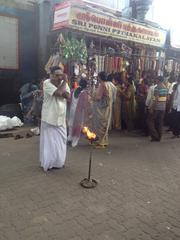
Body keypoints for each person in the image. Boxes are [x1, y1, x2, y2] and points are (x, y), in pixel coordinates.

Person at [40, 66, 70, 171]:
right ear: (51, 75)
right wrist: (65, 83)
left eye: (61, 75)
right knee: (49, 143)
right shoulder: (47, 83)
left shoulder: (63, 84)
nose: (59, 77)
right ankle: (48, 164)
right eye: (56, 75)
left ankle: (59, 163)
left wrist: (63, 87)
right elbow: (58, 93)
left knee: (62, 141)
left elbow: (68, 96)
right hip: (49, 118)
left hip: (61, 118)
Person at [91, 71, 117, 148]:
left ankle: (101, 143)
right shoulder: (111, 85)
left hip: (101, 108)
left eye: (98, 77)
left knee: (101, 125)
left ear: (100, 77)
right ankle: (104, 141)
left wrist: (92, 97)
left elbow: (98, 97)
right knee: (105, 124)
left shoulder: (102, 85)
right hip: (108, 107)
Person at [68, 78, 90, 147]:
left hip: (72, 110)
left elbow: (69, 100)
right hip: (79, 112)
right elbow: (85, 105)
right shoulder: (84, 93)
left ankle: (69, 138)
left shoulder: (73, 90)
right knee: (78, 126)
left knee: (71, 124)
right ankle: (74, 141)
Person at [148, 76, 168, 142]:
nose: (155, 80)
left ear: (158, 80)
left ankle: (155, 136)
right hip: (163, 108)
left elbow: (156, 99)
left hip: (156, 108)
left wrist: (152, 108)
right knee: (160, 123)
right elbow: (167, 98)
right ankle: (159, 137)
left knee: (150, 122)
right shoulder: (166, 88)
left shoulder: (157, 88)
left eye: (156, 79)